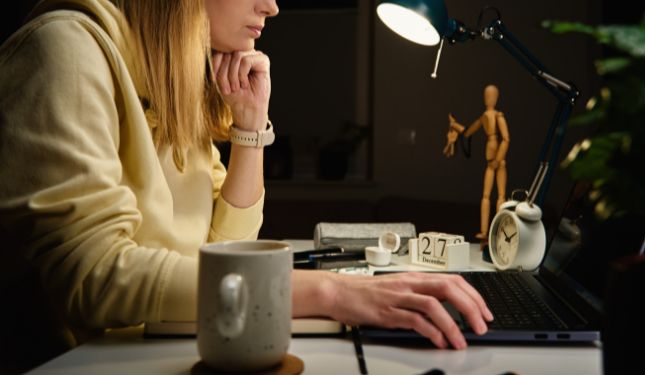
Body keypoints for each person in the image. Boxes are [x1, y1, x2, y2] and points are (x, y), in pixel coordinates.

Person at [0, 0, 493, 371]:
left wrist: (250, 126)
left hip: (165, 351)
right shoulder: (63, 51)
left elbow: (225, 248)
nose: (273, 5)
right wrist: (331, 293)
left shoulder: (173, 78)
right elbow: (96, 278)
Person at [443, 84, 510, 240]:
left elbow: (506, 138)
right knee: (485, 196)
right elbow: (468, 131)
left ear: (496, 97)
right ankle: (485, 231)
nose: (488, 98)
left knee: (501, 196)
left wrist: (499, 158)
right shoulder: (484, 117)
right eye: (486, 95)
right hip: (489, 159)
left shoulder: (499, 116)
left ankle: (499, 232)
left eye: (491, 95)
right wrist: (454, 125)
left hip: (498, 161)